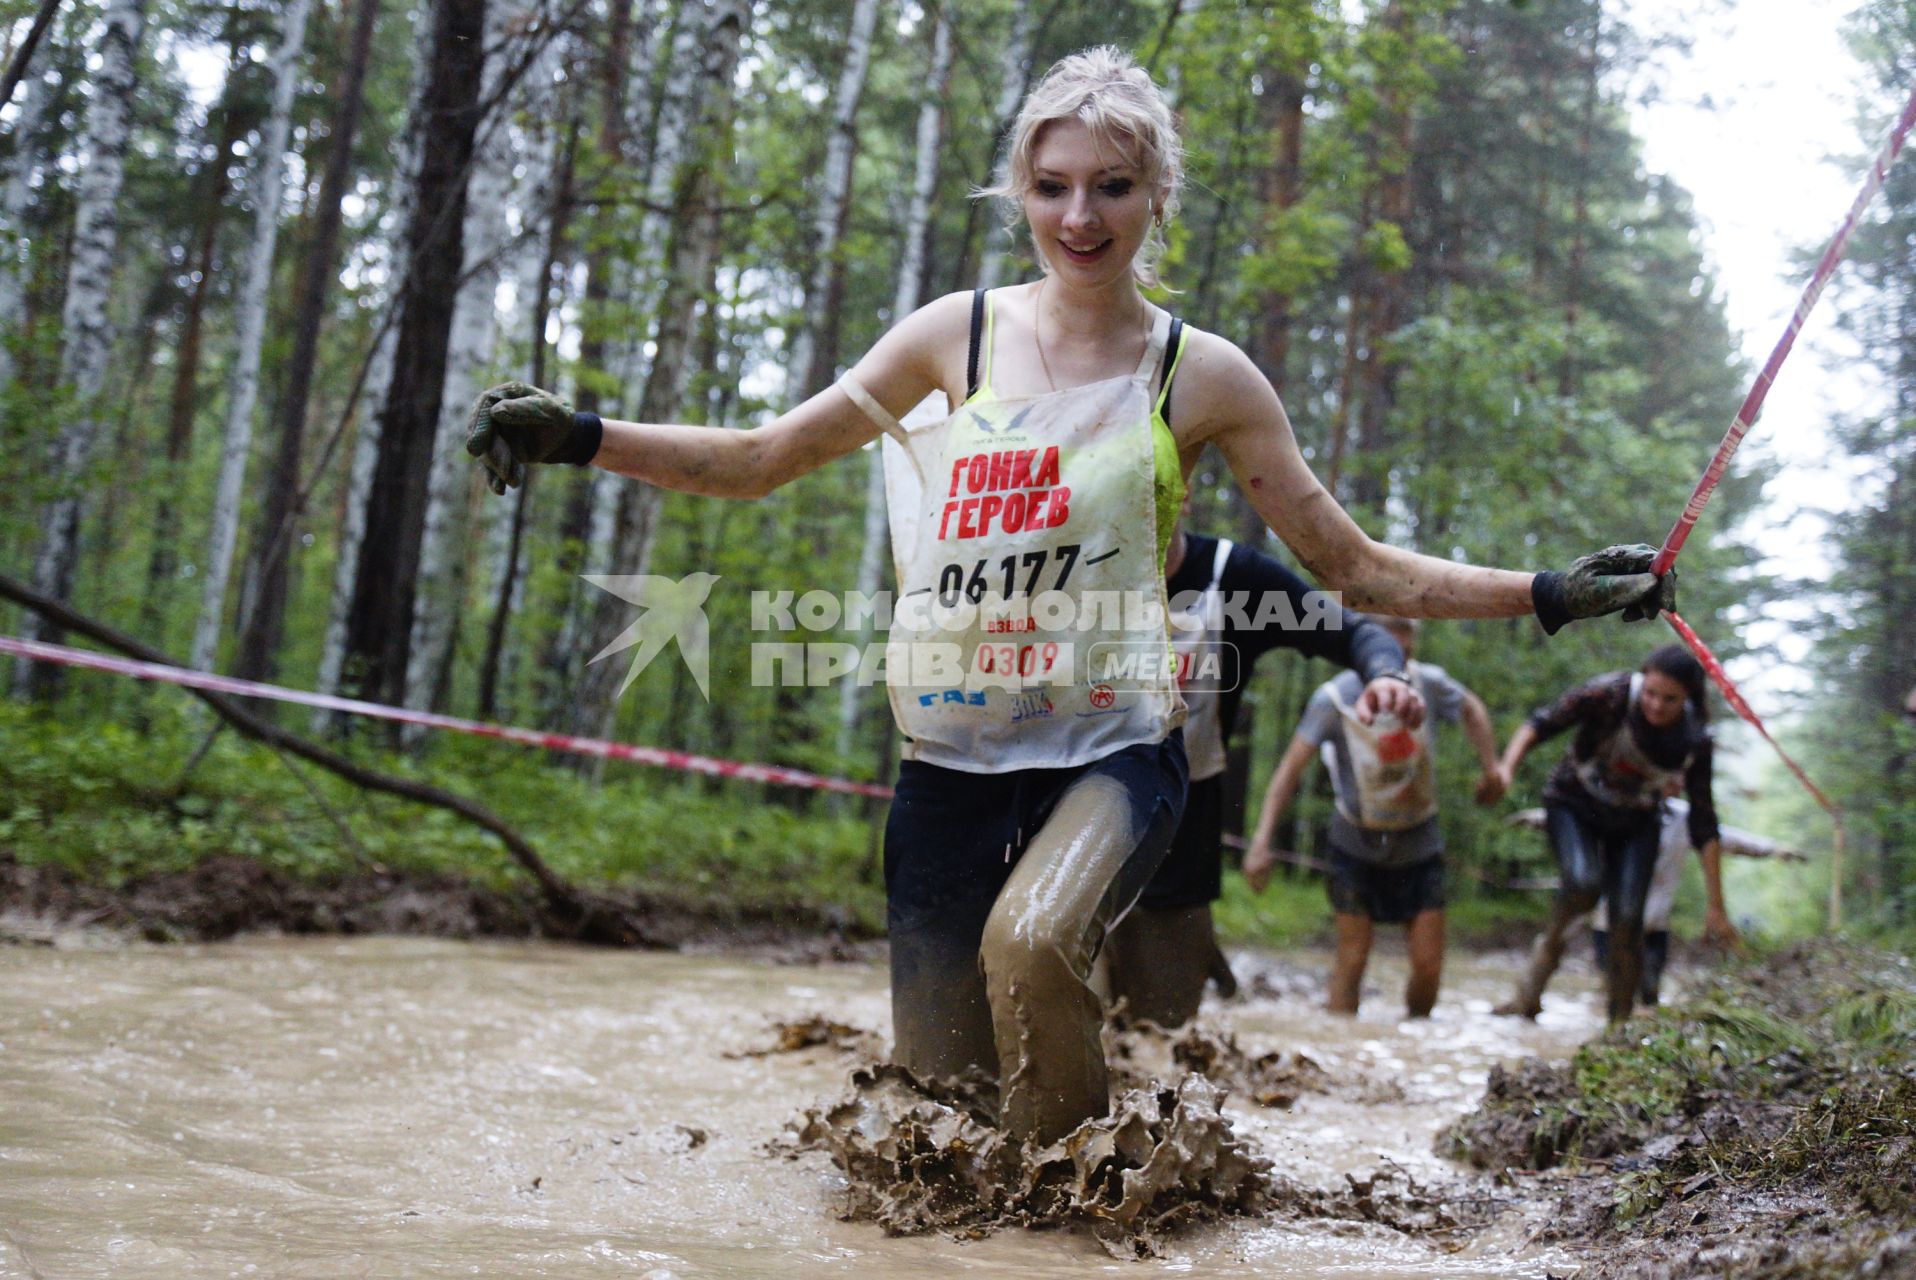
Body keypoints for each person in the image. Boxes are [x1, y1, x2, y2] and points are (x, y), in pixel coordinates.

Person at [464, 47, 1673, 1146]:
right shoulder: (953, 336)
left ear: (1155, 198)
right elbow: (761, 459)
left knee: (1033, 939)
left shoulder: (1201, 373)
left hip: (1112, 745)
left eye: (1110, 186)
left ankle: (1082, 1216)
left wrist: (1548, 591)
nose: (1078, 215)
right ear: (1019, 192)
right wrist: (580, 432)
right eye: (1051, 186)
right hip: (945, 758)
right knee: (935, 1108)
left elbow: (1352, 568)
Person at [1101, 515, 1423, 1028]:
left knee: (1160, 1040)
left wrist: (1387, 676)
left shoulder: (1237, 583)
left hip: (1178, 841)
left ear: (1181, 495)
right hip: (1053, 825)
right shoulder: (1058, 570)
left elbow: (1352, 633)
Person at [1239, 618, 1504, 1018]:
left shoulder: (1429, 682)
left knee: (1429, 965)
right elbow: (1289, 772)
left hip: (1420, 840)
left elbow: (1471, 709)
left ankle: (1415, 1043)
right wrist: (1261, 843)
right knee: (1353, 957)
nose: (1398, 645)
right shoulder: (1334, 698)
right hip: (1355, 843)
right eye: (1388, 632)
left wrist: (1492, 769)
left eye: (1407, 631)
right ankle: (1339, 1052)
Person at [1492, 645, 1733, 1024]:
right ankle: (1535, 979)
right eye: (1651, 694)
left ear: (1688, 698)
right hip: (1573, 803)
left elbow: (1704, 820)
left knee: (1627, 920)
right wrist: (1505, 769)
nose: (1655, 705)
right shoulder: (1609, 693)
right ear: (1642, 680)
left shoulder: (1695, 737)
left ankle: (1618, 1026)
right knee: (1584, 883)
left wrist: (1716, 906)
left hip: (1636, 819)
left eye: (1669, 700)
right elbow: (1541, 723)